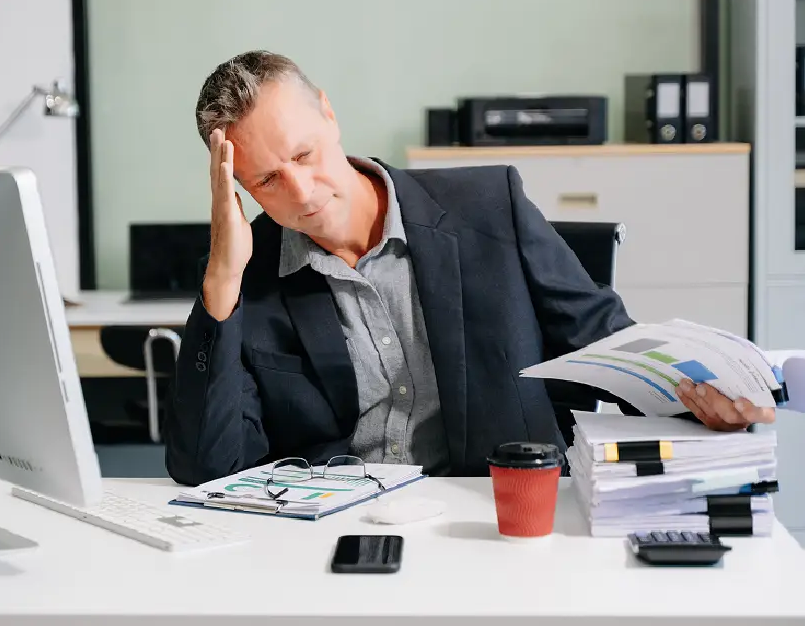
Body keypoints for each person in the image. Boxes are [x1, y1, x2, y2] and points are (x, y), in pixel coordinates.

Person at [163, 50, 776, 486]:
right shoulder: (249, 274)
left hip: (497, 515)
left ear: (328, 113)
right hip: (337, 535)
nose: (300, 191)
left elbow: (611, 351)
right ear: (237, 187)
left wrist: (700, 399)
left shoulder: (490, 207)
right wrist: (221, 285)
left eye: (304, 153)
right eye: (268, 178)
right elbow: (208, 469)